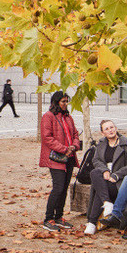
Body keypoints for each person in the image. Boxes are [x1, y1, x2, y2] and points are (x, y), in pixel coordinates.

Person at [84, 119, 127, 234]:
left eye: (112, 127)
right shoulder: (102, 142)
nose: (110, 130)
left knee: (100, 189)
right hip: (104, 179)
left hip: (120, 182)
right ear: (103, 133)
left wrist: (116, 175)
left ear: (116, 128)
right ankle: (107, 203)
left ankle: (92, 222)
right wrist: (105, 170)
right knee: (94, 173)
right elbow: (96, 160)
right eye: (107, 129)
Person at [39, 91, 81, 231]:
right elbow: (47, 138)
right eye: (63, 101)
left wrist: (74, 146)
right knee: (58, 188)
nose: (65, 104)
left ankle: (59, 216)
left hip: (69, 157)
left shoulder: (68, 117)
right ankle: (48, 218)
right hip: (57, 158)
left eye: (66, 101)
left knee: (64, 188)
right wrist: (64, 149)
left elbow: (75, 133)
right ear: (56, 102)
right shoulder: (48, 116)